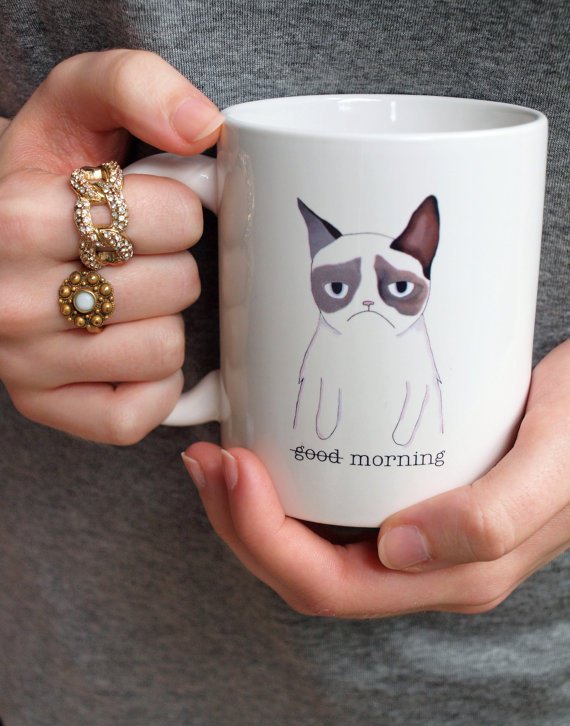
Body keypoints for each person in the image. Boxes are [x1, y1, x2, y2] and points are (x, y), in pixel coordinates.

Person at [0, 1, 568, 724]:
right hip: (95, 625)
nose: (368, 303)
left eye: (395, 288)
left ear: (424, 261)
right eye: (341, 288)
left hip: (519, 665)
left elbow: (420, 393)